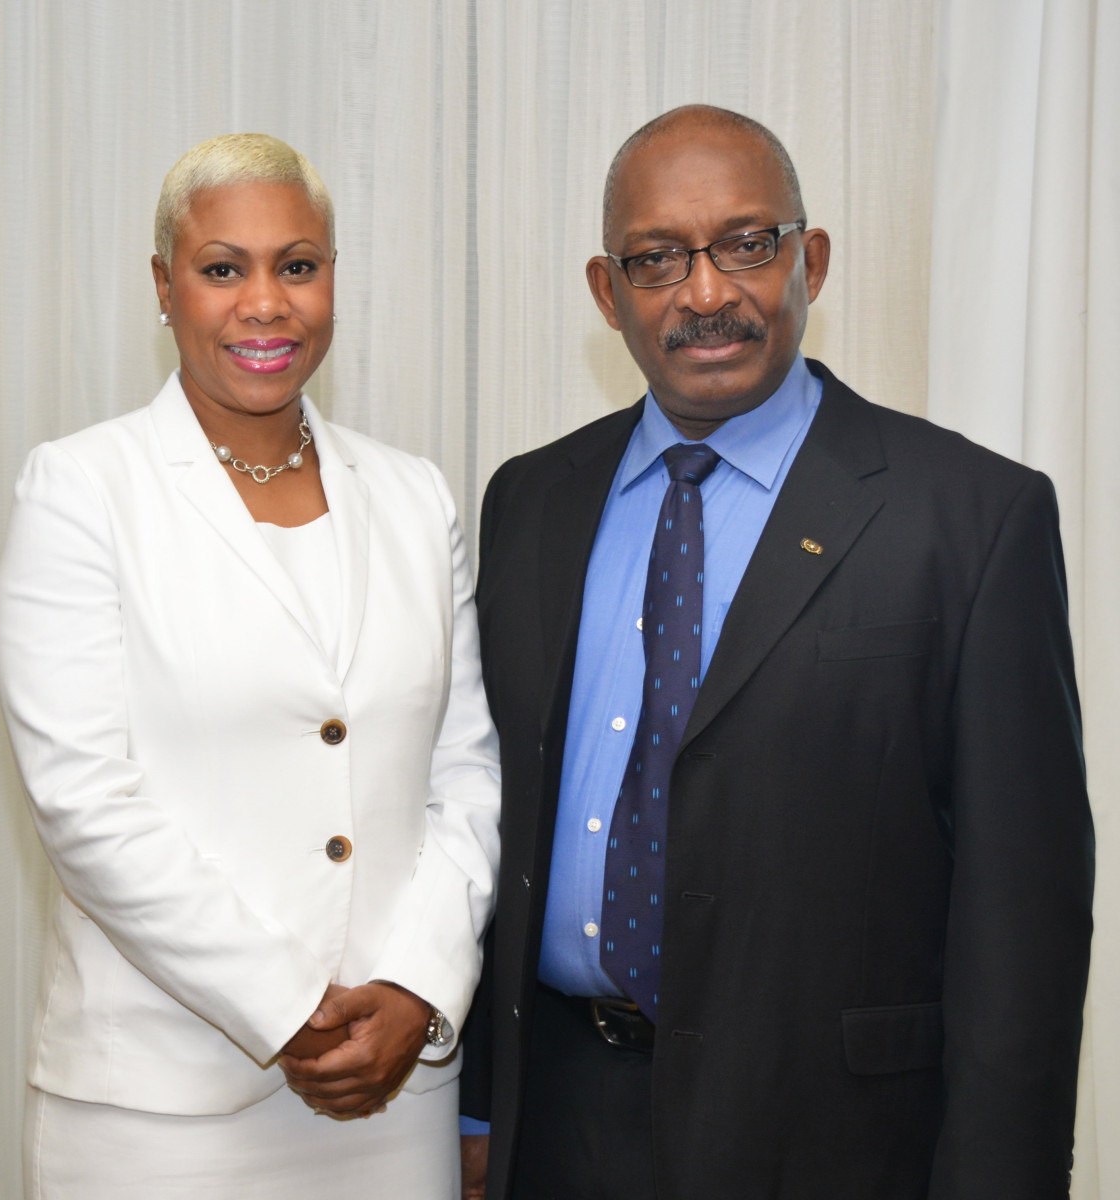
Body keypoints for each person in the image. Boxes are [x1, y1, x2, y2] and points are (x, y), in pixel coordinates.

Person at [459, 105, 1093, 1199]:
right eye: (658, 258)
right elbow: (487, 814)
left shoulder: (972, 518)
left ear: (813, 261)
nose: (706, 292)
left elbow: (1023, 918)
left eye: (748, 244)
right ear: (608, 293)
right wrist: (477, 1104)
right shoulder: (531, 501)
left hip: (835, 1141)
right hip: (563, 1124)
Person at [0, 133, 500, 1199]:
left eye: (297, 266)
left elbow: (467, 775)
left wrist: (417, 985)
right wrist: (288, 1007)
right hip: (158, 1109)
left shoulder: (416, 496)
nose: (265, 303)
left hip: (391, 1092)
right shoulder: (82, 490)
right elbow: (83, 798)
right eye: (223, 268)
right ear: (164, 287)